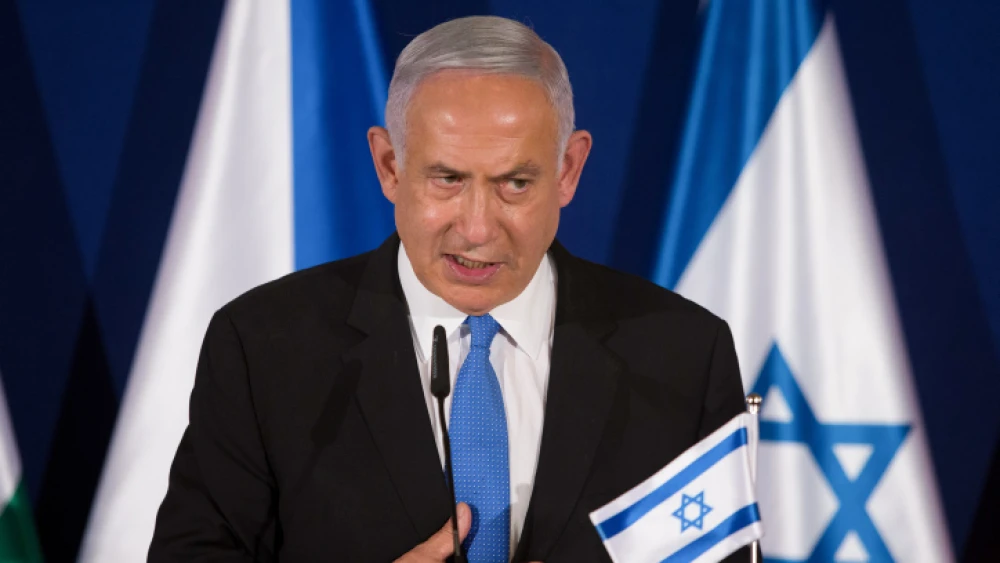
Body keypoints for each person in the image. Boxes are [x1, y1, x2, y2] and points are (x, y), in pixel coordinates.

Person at [148, 15, 749, 563]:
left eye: (515, 183)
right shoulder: (264, 348)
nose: (478, 228)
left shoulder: (684, 356)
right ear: (389, 166)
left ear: (568, 169)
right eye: (447, 179)